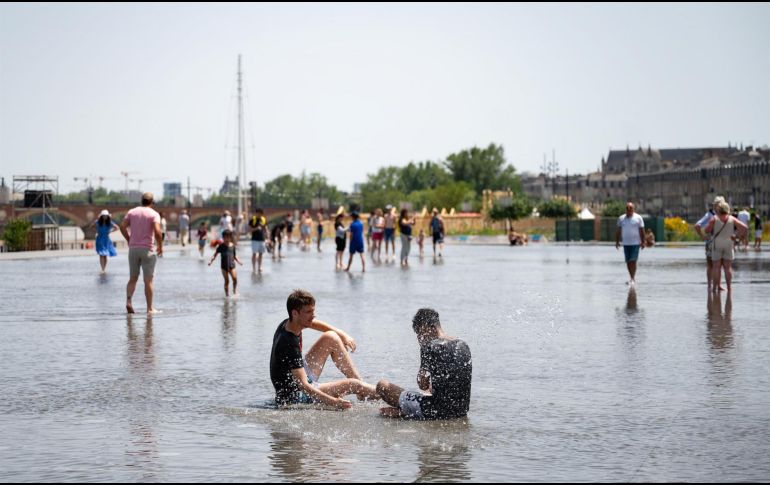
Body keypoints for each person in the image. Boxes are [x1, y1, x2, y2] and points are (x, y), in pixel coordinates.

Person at [269, 290, 378, 408]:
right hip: (296, 395)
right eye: (309, 312)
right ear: (295, 313)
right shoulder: (289, 343)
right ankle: (393, 397)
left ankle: (363, 390)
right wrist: (334, 402)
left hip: (299, 379)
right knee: (354, 385)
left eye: (313, 310)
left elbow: (314, 323)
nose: (313, 315)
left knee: (331, 337)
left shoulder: (289, 323)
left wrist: (341, 334)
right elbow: (304, 386)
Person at [376, 308, 472, 420]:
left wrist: (423, 347)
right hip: (461, 411)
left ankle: (406, 413)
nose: (419, 337)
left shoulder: (429, 347)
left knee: (382, 386)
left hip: (435, 412)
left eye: (419, 332)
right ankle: (407, 411)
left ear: (424, 327)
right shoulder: (463, 344)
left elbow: (423, 384)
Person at [120, 192, 163, 314]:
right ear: (152, 202)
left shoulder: (132, 212)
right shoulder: (154, 214)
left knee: (132, 278)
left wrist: (129, 239)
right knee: (148, 281)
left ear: (142, 201)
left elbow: (122, 226)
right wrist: (160, 246)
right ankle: (149, 308)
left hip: (133, 249)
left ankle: (129, 301)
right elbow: (158, 232)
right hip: (147, 249)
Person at [704, 200, 748, 293]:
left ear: (719, 209)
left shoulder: (715, 218)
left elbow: (707, 230)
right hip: (728, 243)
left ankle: (715, 288)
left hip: (717, 244)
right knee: (728, 268)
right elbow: (745, 228)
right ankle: (729, 288)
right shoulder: (731, 218)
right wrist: (737, 237)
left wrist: (710, 228)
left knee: (716, 267)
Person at [695, 196, 725, 291]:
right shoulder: (710, 215)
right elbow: (697, 225)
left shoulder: (717, 214)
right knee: (713, 265)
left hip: (714, 242)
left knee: (716, 265)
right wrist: (703, 237)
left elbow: (697, 226)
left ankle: (715, 285)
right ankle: (711, 285)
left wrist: (703, 237)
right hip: (714, 242)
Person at [614, 202, 645, 286]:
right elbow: (618, 231)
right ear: (626, 209)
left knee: (633, 261)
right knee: (628, 261)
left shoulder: (638, 218)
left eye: (630, 208)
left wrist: (643, 241)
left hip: (635, 243)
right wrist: (617, 242)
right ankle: (631, 277)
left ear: (633, 209)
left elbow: (642, 230)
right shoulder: (621, 218)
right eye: (627, 208)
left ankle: (632, 278)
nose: (629, 210)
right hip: (626, 243)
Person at [208, 229, 242, 297]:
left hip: (232, 265)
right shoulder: (221, 246)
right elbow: (215, 255)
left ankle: (234, 291)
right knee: (227, 281)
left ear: (230, 237)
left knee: (235, 279)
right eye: (225, 237)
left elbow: (234, 255)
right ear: (223, 238)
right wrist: (210, 261)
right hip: (224, 266)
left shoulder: (232, 246)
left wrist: (239, 261)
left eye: (228, 237)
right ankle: (227, 295)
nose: (226, 239)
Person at [248, 209, 268, 273]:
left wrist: (268, 237)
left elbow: (266, 229)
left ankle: (259, 267)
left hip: (262, 239)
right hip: (255, 239)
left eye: (260, 213)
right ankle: (253, 268)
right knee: (254, 254)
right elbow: (249, 230)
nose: (259, 214)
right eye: (258, 213)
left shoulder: (263, 219)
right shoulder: (252, 220)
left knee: (261, 254)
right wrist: (256, 228)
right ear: (256, 213)